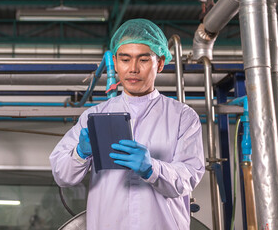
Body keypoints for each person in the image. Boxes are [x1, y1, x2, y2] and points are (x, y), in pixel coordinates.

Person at [49, 19, 205, 229]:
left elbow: (189, 176)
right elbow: (62, 175)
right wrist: (80, 153)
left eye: (143, 60)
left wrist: (152, 169)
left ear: (159, 63)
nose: (133, 69)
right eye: (125, 59)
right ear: (115, 62)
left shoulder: (182, 117)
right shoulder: (93, 116)